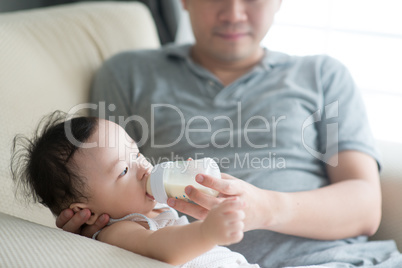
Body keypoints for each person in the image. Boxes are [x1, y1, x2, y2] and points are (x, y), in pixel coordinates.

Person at [57, 0, 402, 267]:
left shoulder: (323, 75)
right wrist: (91, 229)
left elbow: (366, 207)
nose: (234, 13)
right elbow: (98, 178)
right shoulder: (128, 73)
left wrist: (264, 208)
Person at [11, 112, 260, 268]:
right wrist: (207, 231)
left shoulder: (151, 203)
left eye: (137, 152)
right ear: (87, 212)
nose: (143, 167)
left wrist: (190, 181)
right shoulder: (116, 231)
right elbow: (161, 248)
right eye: (123, 171)